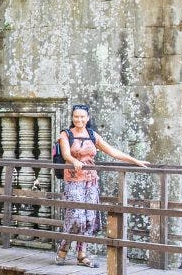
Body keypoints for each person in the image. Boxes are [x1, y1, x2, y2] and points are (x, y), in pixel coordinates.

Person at [57, 104, 149, 266]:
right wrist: (74, 161)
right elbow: (65, 154)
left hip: (91, 181)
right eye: (76, 116)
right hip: (73, 180)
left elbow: (113, 152)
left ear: (87, 118)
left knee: (90, 218)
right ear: (72, 118)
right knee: (76, 218)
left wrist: (135, 161)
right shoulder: (66, 134)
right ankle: (63, 249)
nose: (79, 119)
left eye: (82, 116)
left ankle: (81, 254)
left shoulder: (92, 135)